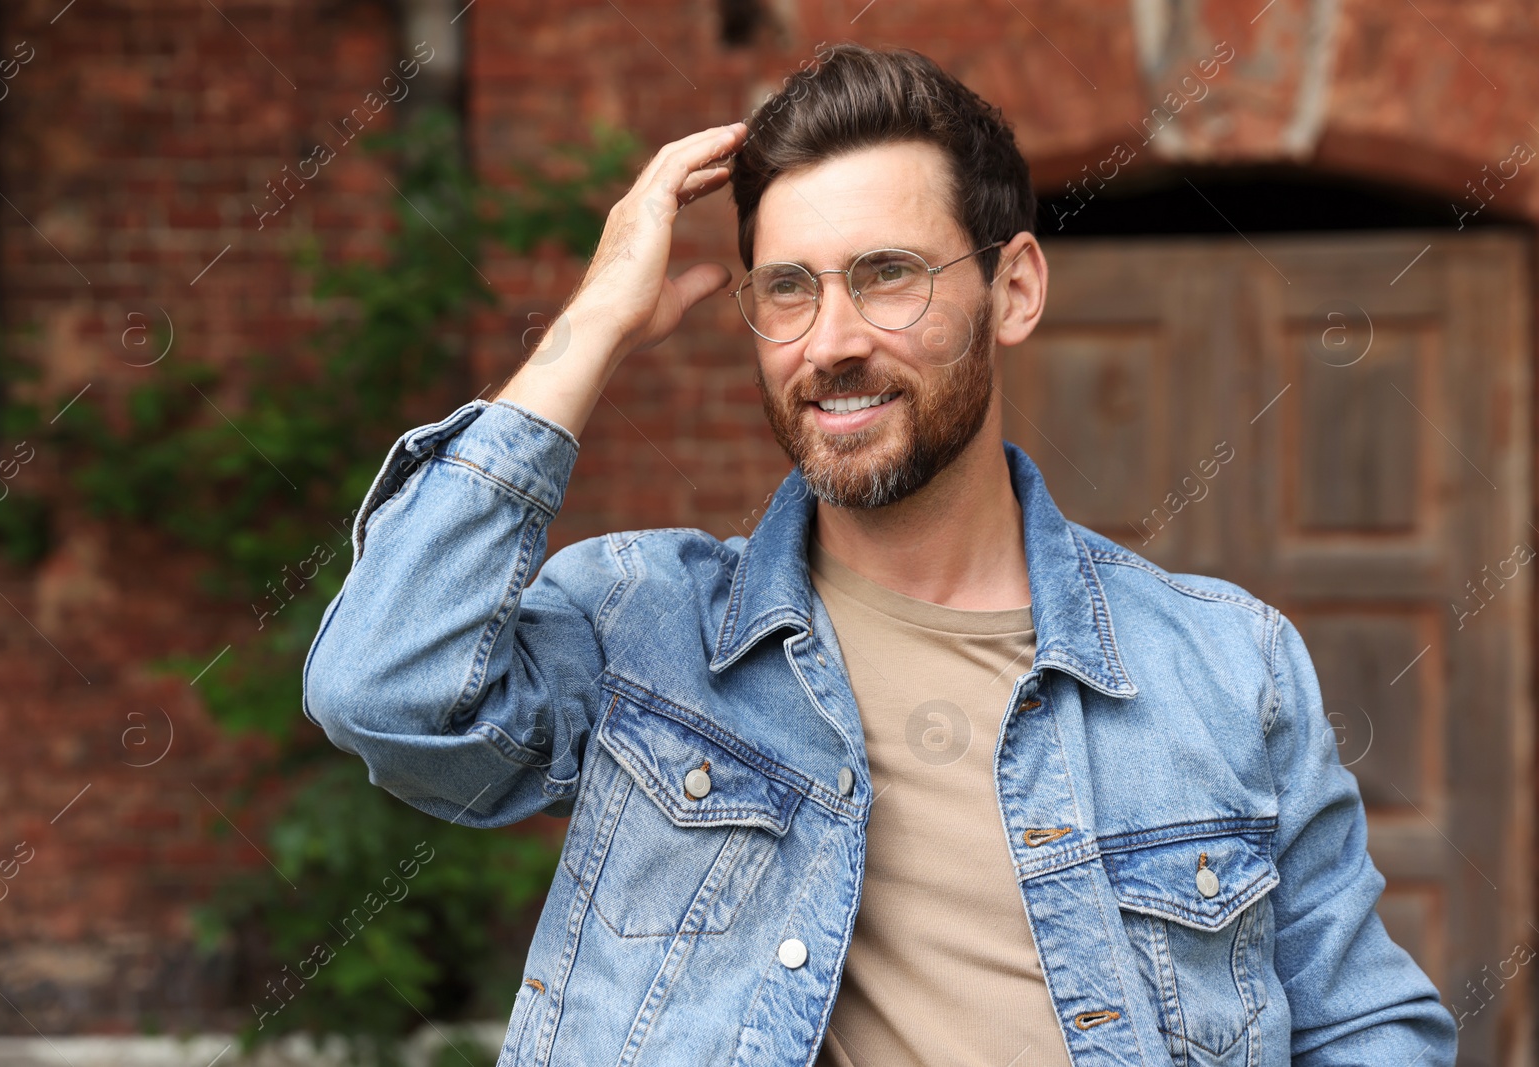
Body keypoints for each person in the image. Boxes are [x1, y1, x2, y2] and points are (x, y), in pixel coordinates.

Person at [303, 41, 1457, 1067]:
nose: (832, 343)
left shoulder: (1225, 663)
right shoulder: (642, 628)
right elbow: (385, 688)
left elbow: (1366, 1025)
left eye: (887, 275)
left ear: (1012, 289)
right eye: (786, 290)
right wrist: (593, 319)